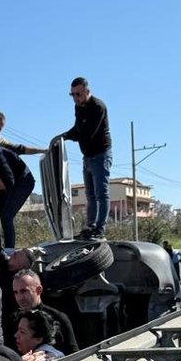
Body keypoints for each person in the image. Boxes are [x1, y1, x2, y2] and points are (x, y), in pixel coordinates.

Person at [54, 76, 112, 239]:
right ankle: (90, 227)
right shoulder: (78, 107)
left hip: (101, 155)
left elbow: (88, 133)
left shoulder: (98, 107)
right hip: (87, 157)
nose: (75, 98)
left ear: (87, 91)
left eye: (78, 94)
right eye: (72, 95)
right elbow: (78, 128)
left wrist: (71, 136)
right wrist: (63, 136)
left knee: (102, 193)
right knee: (90, 195)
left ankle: (100, 229)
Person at [10, 269, 79, 355]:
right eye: (16, 292)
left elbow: (73, 355)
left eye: (24, 291)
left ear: (38, 290)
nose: (20, 298)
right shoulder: (13, 320)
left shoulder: (59, 318)